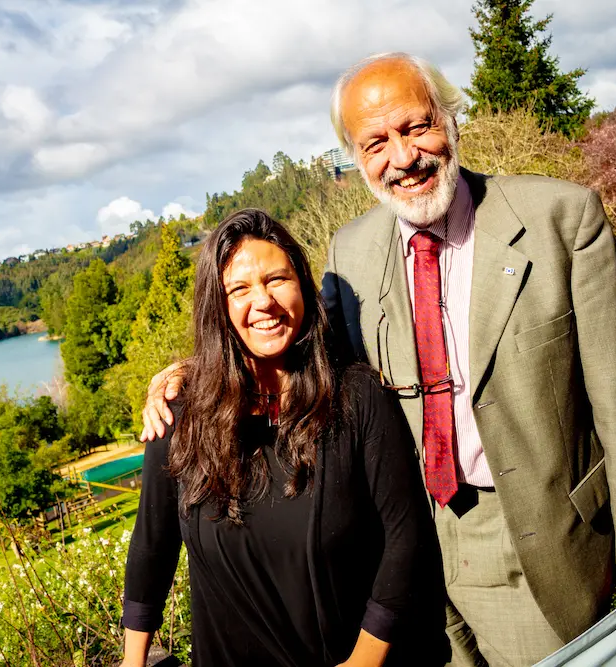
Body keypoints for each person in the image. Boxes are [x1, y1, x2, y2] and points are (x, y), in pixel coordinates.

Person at [140, 53, 616, 667]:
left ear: (450, 119)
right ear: (356, 157)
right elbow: (303, 353)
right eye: (376, 143)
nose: (403, 157)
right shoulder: (350, 252)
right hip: (401, 555)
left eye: (416, 127)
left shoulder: (561, 218)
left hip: (532, 539)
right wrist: (195, 373)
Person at [120, 209, 447, 667]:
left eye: (277, 279)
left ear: (302, 286)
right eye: (239, 289)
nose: (264, 301)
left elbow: (407, 537)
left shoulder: (357, 397)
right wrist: (132, 660)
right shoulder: (180, 415)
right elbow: (151, 547)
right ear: (217, 306)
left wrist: (364, 661)